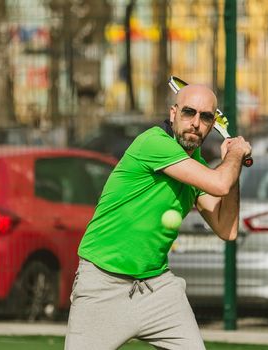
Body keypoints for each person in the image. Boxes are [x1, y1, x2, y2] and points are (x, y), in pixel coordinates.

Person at [64, 84, 252, 350]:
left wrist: (235, 171)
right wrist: (235, 155)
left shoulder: (195, 166)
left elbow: (227, 228)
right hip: (103, 285)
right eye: (189, 112)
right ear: (173, 113)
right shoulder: (153, 143)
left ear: (212, 124)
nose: (196, 123)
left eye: (206, 116)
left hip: (157, 289)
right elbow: (220, 184)